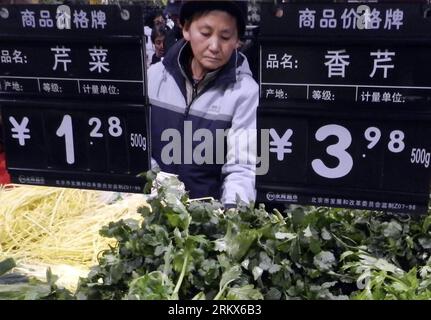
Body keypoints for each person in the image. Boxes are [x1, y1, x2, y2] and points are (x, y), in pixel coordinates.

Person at [148, 0, 258, 208]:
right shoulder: (154, 78)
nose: (214, 46)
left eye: (225, 37)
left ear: (237, 41)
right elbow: (140, 148)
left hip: (209, 218)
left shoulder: (245, 92)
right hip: (154, 210)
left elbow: (242, 167)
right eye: (206, 33)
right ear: (186, 28)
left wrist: (232, 217)